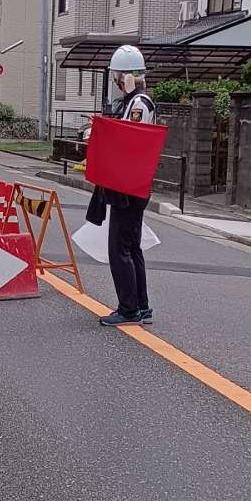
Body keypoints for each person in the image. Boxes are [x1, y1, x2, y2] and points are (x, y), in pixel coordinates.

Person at [93, 43, 156, 327]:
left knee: (120, 247)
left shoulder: (139, 103)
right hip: (132, 183)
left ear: (126, 76)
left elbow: (132, 139)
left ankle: (128, 308)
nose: (116, 81)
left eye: (117, 76)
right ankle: (141, 305)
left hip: (128, 185)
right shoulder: (135, 101)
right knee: (132, 246)